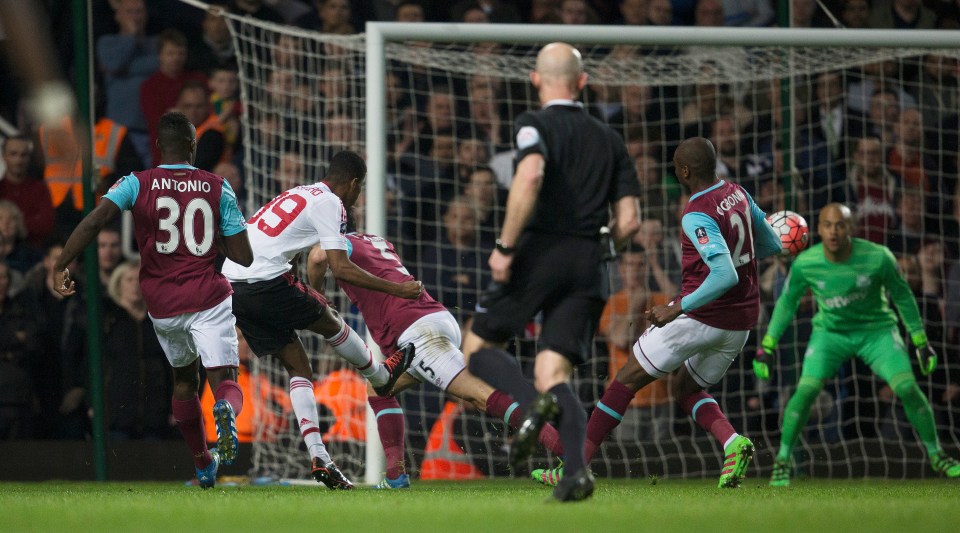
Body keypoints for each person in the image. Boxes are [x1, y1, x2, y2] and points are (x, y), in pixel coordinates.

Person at [534, 137, 783, 489]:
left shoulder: (697, 213)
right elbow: (772, 243)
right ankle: (733, 442)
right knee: (685, 388)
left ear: (683, 171)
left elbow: (724, 274)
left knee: (624, 379)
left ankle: (573, 468)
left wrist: (675, 307)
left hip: (703, 317)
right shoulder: (738, 193)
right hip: (741, 321)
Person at [460, 42, 641, 502]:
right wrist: (603, 249)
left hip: (541, 252)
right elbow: (629, 221)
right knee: (552, 372)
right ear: (583, 83)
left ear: (536, 80)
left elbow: (530, 175)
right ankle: (576, 473)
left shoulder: (532, 125)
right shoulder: (611, 139)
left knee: (478, 345)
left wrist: (504, 246)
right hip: (590, 263)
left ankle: (526, 415)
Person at [53, 111, 254, 489]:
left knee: (184, 380)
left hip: (163, 305)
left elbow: (96, 220)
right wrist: (215, 235)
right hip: (208, 296)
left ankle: (201, 462)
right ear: (193, 146)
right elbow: (244, 257)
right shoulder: (218, 187)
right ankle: (225, 409)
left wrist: (62, 263)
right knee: (224, 377)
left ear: (158, 147)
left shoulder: (135, 183)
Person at [220, 150, 422, 490]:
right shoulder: (332, 204)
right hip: (264, 281)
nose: (358, 199)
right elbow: (340, 266)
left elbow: (285, 244)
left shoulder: (300, 192)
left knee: (298, 365)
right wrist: (397, 289)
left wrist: (306, 290)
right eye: (360, 190)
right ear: (354, 184)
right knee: (332, 323)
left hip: (233, 283)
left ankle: (320, 458)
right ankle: (381, 374)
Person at [307, 232, 564, 488]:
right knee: (379, 385)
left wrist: (317, 295)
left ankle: (569, 452)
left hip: (419, 334)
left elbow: (318, 256)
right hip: (434, 319)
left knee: (482, 396)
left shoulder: (336, 241)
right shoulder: (375, 240)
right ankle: (396, 477)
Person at [754, 203, 960, 485]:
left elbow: (902, 296)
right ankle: (783, 460)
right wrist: (767, 346)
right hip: (831, 334)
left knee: (907, 387)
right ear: (819, 229)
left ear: (851, 228)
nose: (834, 231)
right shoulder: (806, 264)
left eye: (840, 225)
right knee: (804, 393)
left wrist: (920, 340)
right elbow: (786, 304)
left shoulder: (879, 257)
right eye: (828, 225)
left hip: (877, 332)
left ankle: (937, 454)